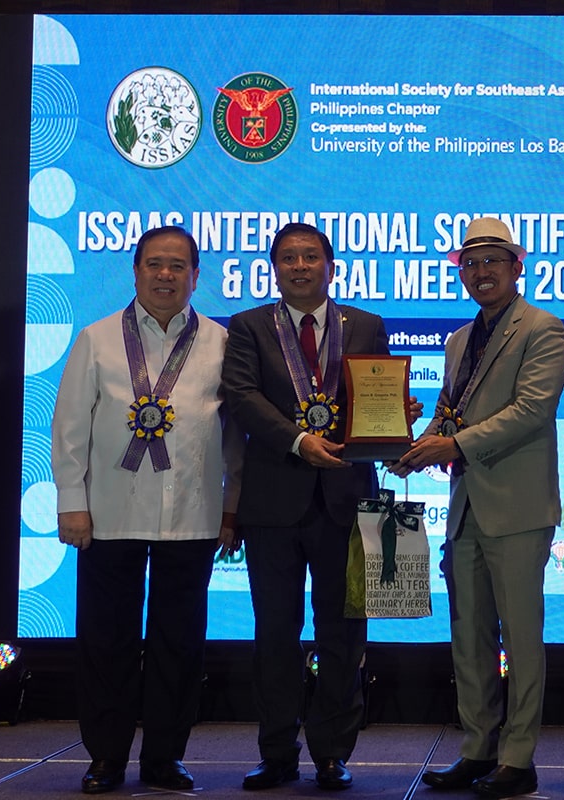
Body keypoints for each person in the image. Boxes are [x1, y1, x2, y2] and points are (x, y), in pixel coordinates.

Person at [221, 222, 419, 792]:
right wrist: (299, 439)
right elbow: (243, 397)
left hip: (349, 501)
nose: (300, 266)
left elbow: (373, 404)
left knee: (344, 635)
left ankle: (332, 752)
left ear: (330, 266)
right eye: (288, 258)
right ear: (274, 268)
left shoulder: (367, 326)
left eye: (310, 256)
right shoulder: (249, 326)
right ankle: (277, 752)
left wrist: (395, 413)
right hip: (273, 501)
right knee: (274, 636)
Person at [52, 225, 242, 795]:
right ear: (134, 271)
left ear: (195, 276)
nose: (165, 275)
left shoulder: (221, 342)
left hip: (193, 513)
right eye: (155, 264)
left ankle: (164, 758)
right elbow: (67, 429)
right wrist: (71, 503)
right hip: (108, 513)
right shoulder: (97, 338)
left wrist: (230, 509)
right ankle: (106, 757)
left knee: (178, 645)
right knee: (105, 641)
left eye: (177, 266)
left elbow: (234, 438)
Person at [390, 217, 564, 799]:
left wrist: (454, 443)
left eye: (493, 260)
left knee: (521, 639)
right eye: (471, 263)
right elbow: (453, 412)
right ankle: (477, 749)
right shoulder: (460, 340)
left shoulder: (543, 329)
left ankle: (519, 760)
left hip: (517, 509)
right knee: (469, 638)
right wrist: (409, 441)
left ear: (518, 266)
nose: (481, 271)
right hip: (466, 506)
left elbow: (532, 410)